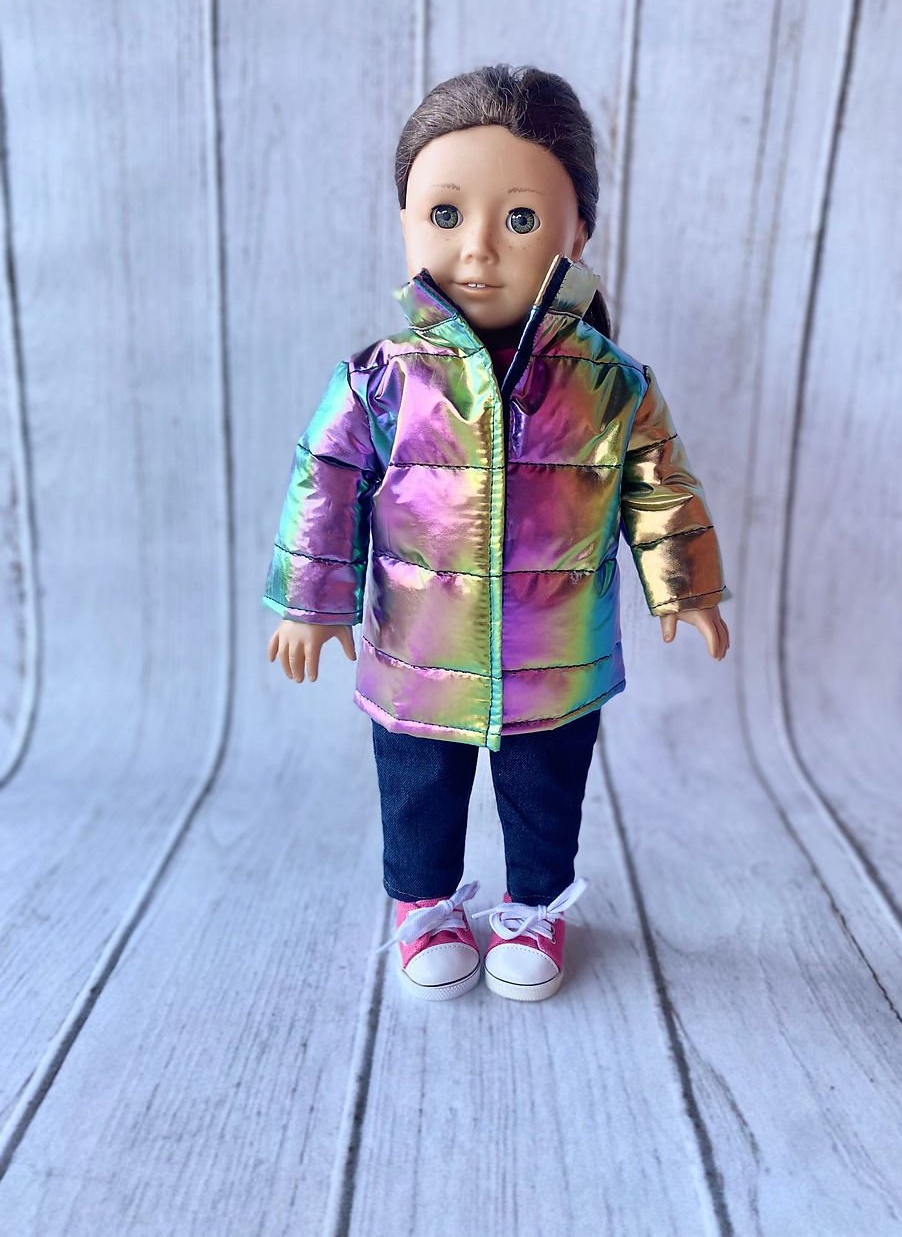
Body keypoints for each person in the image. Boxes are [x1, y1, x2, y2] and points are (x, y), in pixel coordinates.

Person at [264, 64, 732, 1003]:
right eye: (444, 214)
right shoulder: (382, 378)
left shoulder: (611, 383)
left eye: (519, 218)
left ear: (578, 231)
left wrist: (687, 585)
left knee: (546, 790)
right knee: (418, 790)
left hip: (557, 656)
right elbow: (325, 482)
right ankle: (424, 906)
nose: (477, 247)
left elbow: (660, 487)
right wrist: (309, 603)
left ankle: (535, 906)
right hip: (416, 654)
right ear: (405, 220)